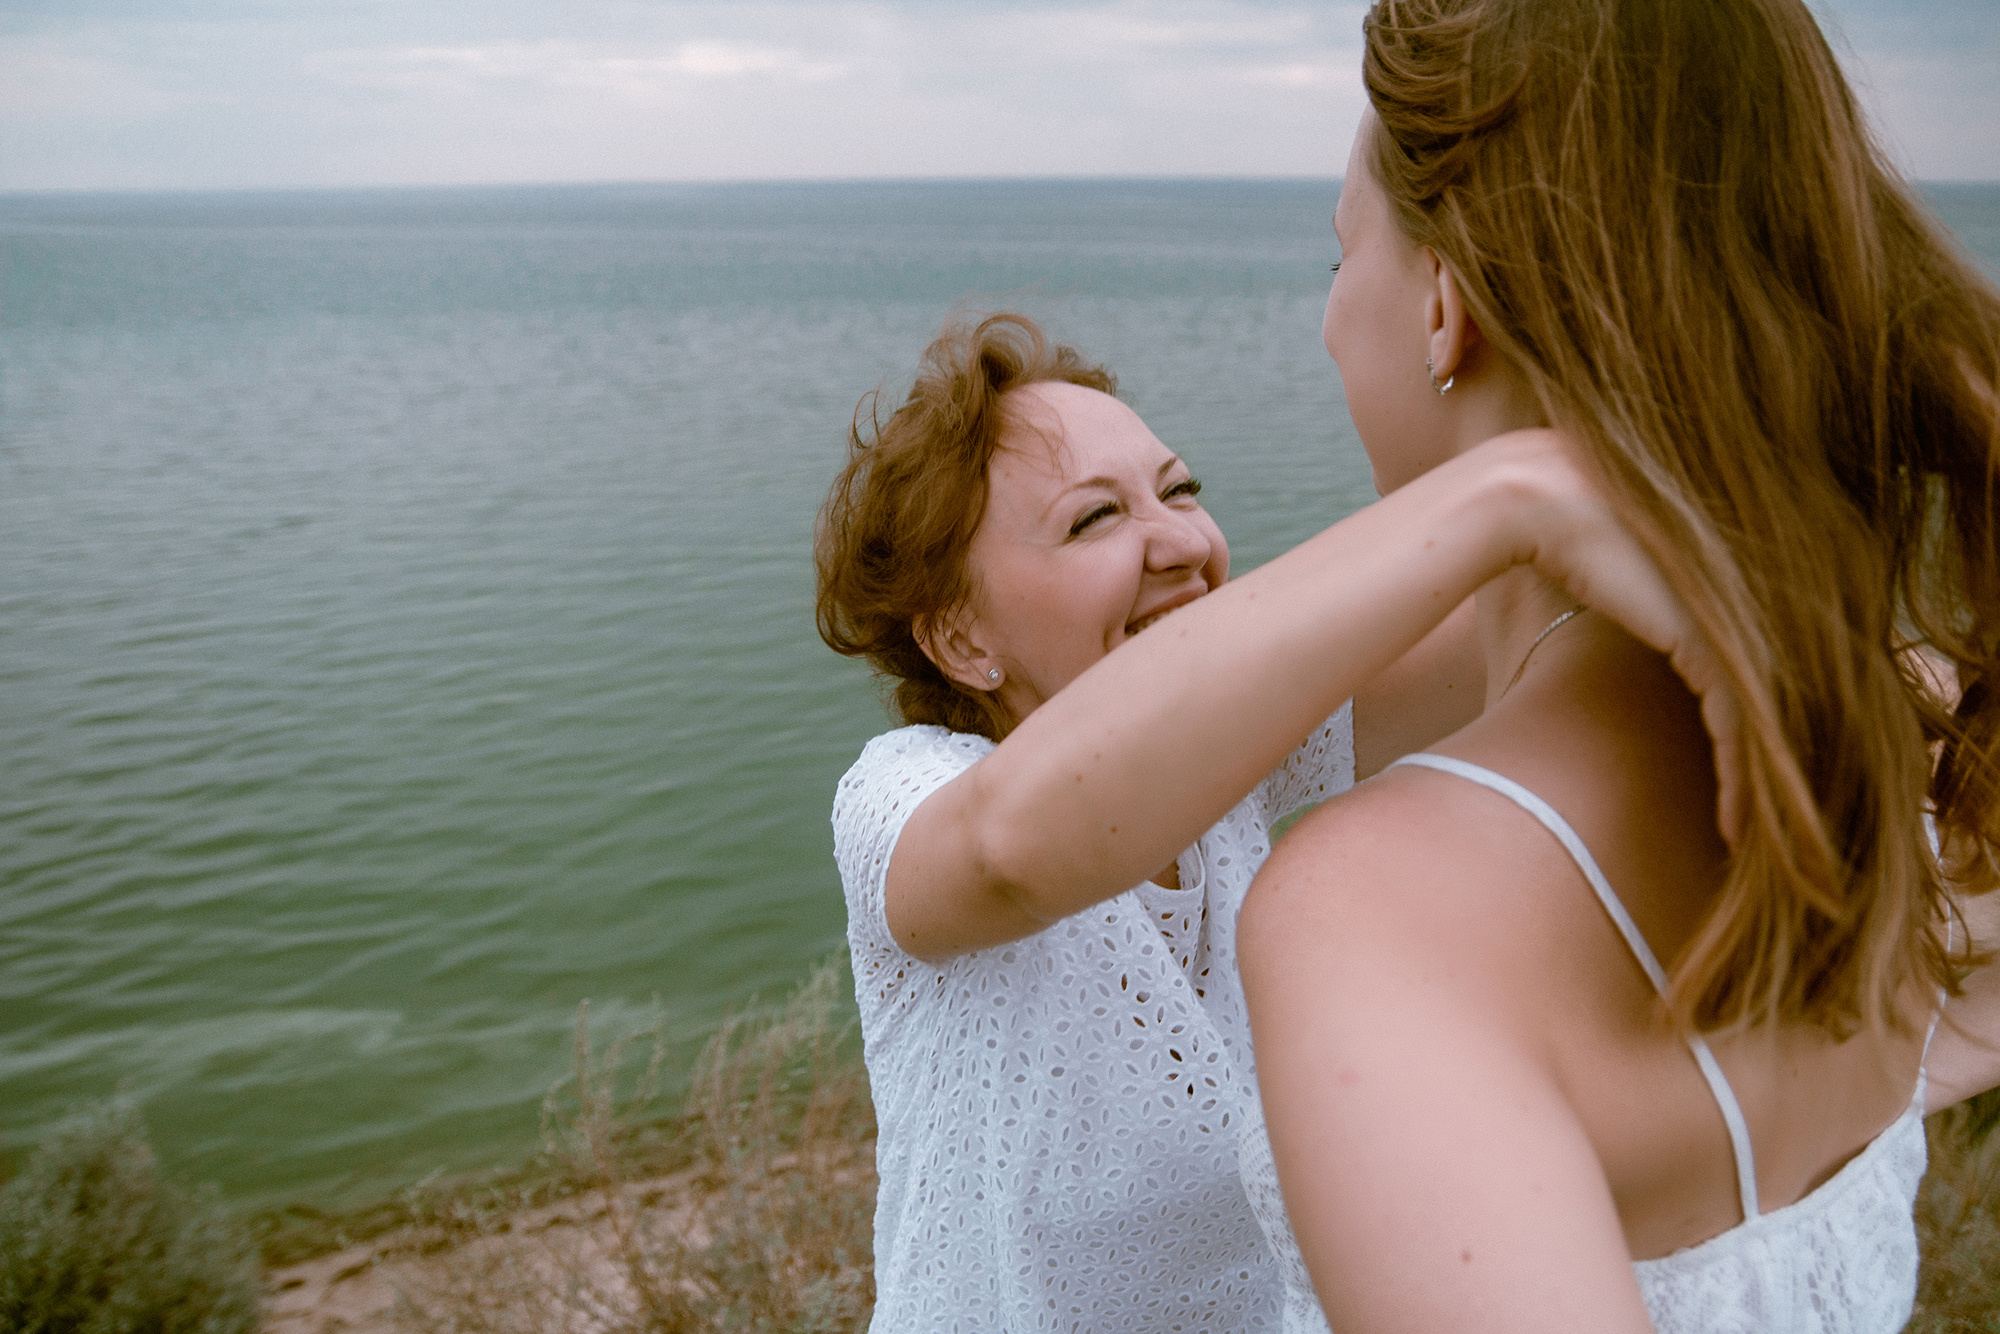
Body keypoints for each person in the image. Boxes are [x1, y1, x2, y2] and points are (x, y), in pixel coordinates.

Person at [1232, 1, 2000, 1330]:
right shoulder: (1908, 731)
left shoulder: (1384, 904)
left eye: (1339, 253)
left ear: (1444, 308)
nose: (1325, 322)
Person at [815, 311, 1740, 1331]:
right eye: (1093, 519)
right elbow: (1006, 855)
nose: (1180, 543)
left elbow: (1527, 619)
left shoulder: (1231, 771)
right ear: (960, 634)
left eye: (1177, 490)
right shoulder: (902, 794)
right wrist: (1504, 492)